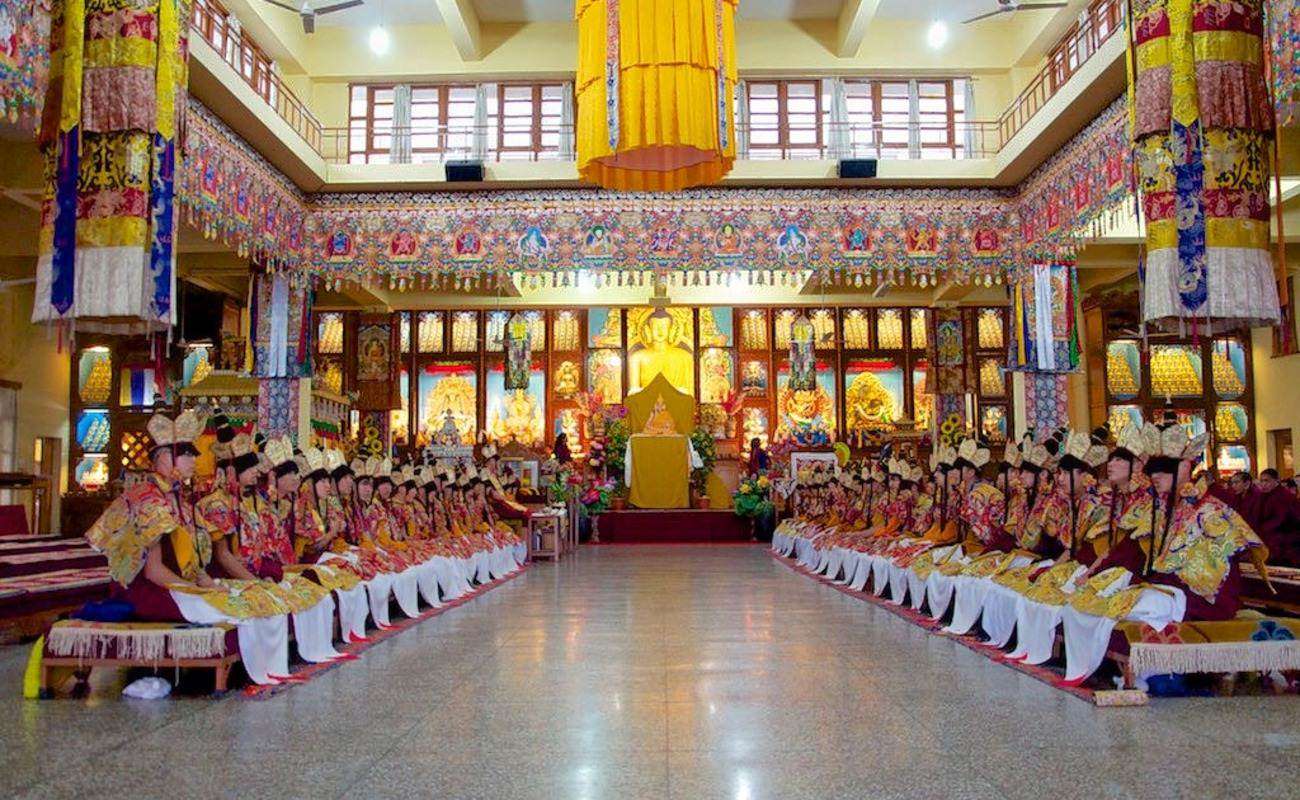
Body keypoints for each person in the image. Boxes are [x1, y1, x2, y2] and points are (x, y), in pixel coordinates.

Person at [1253, 468, 1300, 567]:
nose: (1263, 484)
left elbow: (1281, 519)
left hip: (1285, 542)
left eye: (1267, 481)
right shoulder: (1263, 496)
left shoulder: (1284, 496)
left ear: (1277, 481)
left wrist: (1262, 530)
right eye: (1261, 481)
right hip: (1268, 541)